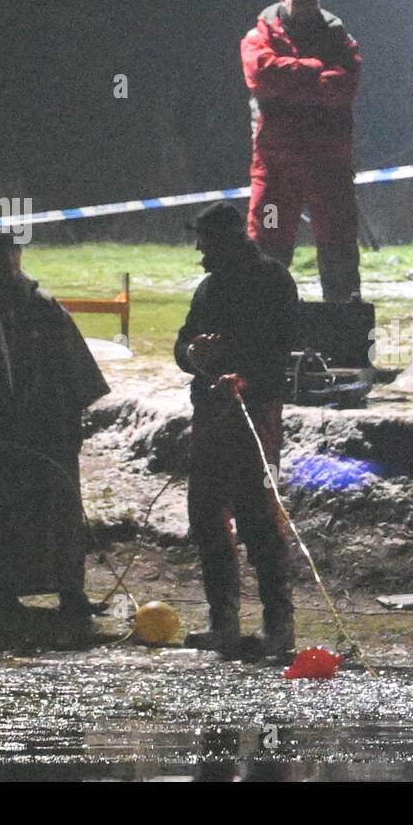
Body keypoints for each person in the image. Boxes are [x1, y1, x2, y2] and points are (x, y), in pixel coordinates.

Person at [0, 232, 110, 621]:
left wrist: (67, 428)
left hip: (43, 435)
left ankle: (69, 592)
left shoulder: (43, 308)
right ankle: (0, 594)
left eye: (13, 256)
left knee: (56, 513)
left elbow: (75, 373)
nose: (9, 266)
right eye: (0, 259)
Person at [175, 202, 301, 661]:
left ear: (227, 239)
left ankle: (278, 625)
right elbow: (182, 341)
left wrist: (245, 377)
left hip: (255, 412)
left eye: (204, 241)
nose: (199, 251)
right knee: (206, 515)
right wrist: (193, 353)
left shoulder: (273, 281)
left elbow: (283, 347)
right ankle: (223, 623)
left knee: (257, 516)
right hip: (210, 412)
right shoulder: (208, 289)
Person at [241, 0, 363, 302]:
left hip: (328, 162)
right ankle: (261, 325)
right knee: (266, 248)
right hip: (276, 164)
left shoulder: (338, 37)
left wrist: (290, 83)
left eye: (312, 1)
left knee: (339, 245)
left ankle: (344, 326)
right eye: (299, 0)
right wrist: (314, 70)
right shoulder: (259, 37)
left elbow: (344, 87)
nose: (307, 7)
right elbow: (262, 77)